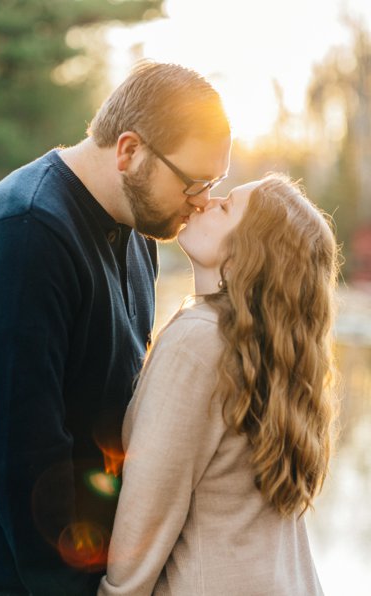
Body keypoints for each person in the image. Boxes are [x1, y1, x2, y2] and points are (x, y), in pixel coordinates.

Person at [0, 60, 232, 595]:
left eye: (214, 184)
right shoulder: (25, 236)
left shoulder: (138, 229)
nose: (203, 200)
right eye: (193, 183)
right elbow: (21, 461)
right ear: (130, 150)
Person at [99, 174, 337, 595]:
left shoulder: (198, 343)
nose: (206, 201)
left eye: (226, 206)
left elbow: (146, 513)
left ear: (247, 254)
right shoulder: (270, 355)